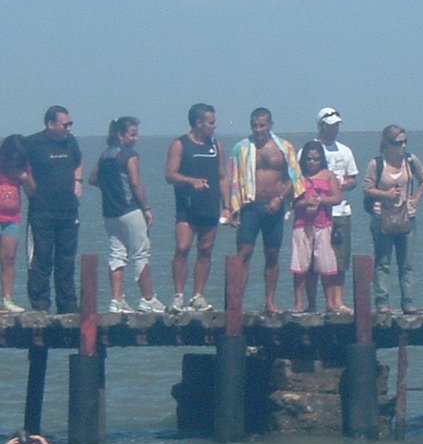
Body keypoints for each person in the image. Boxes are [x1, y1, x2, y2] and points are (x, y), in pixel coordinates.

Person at [228, 108, 305, 313]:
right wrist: (232, 209)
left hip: (274, 207)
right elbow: (233, 180)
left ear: (270, 125)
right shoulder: (241, 148)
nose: (258, 129)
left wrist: (280, 199)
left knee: (272, 254)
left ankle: (270, 302)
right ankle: (237, 302)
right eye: (254, 125)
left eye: (262, 125)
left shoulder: (284, 148)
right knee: (244, 253)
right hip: (250, 206)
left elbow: (294, 178)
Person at [89, 116, 164, 313]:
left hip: (110, 212)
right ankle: (147, 298)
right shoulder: (128, 155)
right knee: (141, 253)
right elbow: (135, 182)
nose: (136, 138)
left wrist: (110, 187)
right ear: (121, 135)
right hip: (130, 209)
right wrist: (147, 208)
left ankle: (117, 299)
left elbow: (92, 178)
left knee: (117, 254)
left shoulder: (105, 155)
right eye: (133, 134)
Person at [165, 103, 229, 313]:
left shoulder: (216, 145)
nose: (214, 126)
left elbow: (222, 177)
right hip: (187, 207)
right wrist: (191, 181)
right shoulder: (180, 144)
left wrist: (227, 206)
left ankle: (198, 295)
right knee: (182, 248)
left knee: (205, 250)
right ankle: (179, 296)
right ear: (198, 123)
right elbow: (170, 175)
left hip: (210, 206)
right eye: (211, 122)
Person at [363, 125, 423, 314]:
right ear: (387, 144)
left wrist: (415, 200)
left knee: (407, 263)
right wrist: (386, 194)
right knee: (383, 262)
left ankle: (407, 301)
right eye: (398, 143)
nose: (403, 146)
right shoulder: (377, 164)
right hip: (381, 217)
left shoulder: (410, 160)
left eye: (405, 142)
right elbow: (367, 189)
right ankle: (382, 301)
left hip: (406, 217)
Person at [25, 105, 83, 313]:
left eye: (70, 124)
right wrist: (27, 183)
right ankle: (40, 305)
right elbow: (13, 161)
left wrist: (78, 181)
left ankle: (67, 305)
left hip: (68, 210)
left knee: (66, 259)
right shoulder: (33, 143)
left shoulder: (71, 142)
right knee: (41, 258)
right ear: (51, 124)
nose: (69, 128)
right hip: (42, 211)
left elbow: (78, 161)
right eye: (65, 124)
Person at [307, 108, 358, 313]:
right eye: (330, 126)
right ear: (320, 126)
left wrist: (345, 183)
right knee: (313, 259)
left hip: (340, 211)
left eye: (337, 126)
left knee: (340, 258)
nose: (334, 130)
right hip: (316, 214)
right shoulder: (311, 150)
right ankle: (312, 302)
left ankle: (337, 301)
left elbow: (353, 178)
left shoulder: (345, 151)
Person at [290, 142, 342, 312]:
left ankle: (330, 302)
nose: (312, 162)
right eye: (308, 159)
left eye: (316, 159)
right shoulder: (298, 177)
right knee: (301, 266)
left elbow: (337, 198)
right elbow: (293, 202)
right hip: (302, 224)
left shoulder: (328, 176)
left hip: (323, 224)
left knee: (326, 265)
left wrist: (320, 201)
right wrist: (306, 202)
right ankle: (300, 303)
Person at [0, 135, 35, 313]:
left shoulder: (23, 167)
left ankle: (7, 299)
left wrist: (25, 177)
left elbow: (32, 192)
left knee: (9, 258)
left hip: (12, 218)